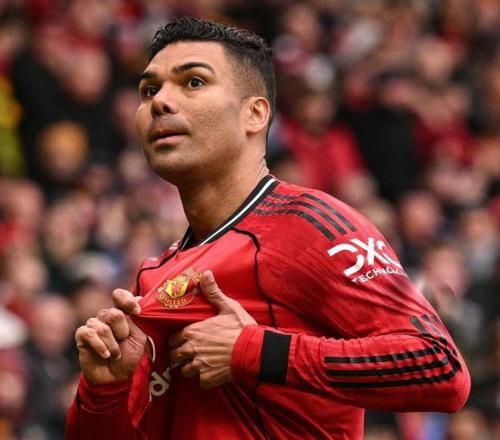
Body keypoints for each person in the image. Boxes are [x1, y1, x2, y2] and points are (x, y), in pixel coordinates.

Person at [66, 17, 470, 439]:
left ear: (255, 114)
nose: (160, 102)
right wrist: (104, 390)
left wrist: (254, 350)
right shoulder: (155, 277)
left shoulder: (310, 225)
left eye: (193, 82)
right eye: (149, 90)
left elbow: (440, 366)